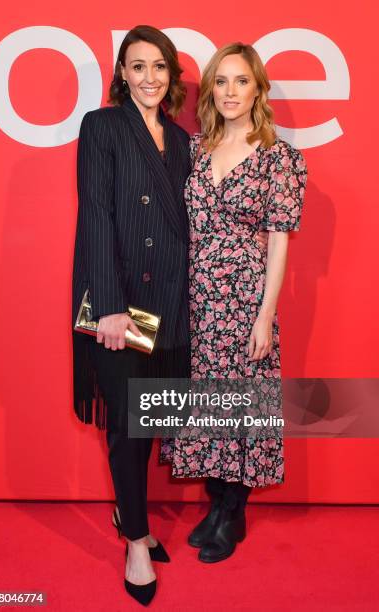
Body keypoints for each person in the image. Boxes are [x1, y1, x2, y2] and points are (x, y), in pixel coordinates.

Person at [161, 42, 307, 563]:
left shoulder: (278, 157)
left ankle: (232, 511)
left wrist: (266, 315)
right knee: (207, 400)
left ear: (258, 88)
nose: (229, 92)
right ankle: (219, 503)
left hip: (245, 296)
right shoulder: (193, 150)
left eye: (240, 81)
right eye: (220, 81)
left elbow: (280, 240)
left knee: (242, 400)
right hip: (195, 295)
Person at [71, 25, 192, 605]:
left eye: (159, 67)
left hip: (169, 302)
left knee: (149, 420)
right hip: (121, 302)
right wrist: (111, 309)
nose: (149, 77)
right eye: (137, 66)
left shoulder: (182, 139)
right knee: (127, 420)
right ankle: (137, 539)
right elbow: (94, 212)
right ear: (122, 73)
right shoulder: (102, 126)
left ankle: (128, 506)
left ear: (171, 76)